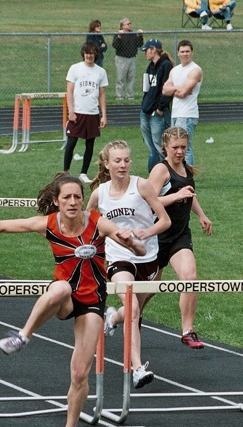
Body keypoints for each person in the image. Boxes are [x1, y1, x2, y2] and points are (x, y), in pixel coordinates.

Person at [0, 172, 146, 427]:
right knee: (59, 289)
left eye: (77, 197)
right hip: (63, 298)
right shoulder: (49, 225)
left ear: (84, 200)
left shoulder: (97, 223)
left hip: (92, 301)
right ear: (56, 201)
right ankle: (22, 336)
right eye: (67, 197)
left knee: (80, 374)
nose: (72, 202)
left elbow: (140, 251)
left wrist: (131, 242)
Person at [85, 141, 170, 389]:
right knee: (132, 305)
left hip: (148, 257)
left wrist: (145, 233)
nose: (122, 165)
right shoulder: (99, 193)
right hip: (119, 258)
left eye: (126, 160)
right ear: (106, 164)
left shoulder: (141, 185)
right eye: (117, 161)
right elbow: (88, 224)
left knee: (133, 312)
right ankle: (137, 368)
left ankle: (111, 320)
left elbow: (164, 221)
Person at [145, 127, 212, 349]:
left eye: (183, 147)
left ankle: (187, 331)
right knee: (147, 292)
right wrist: (175, 196)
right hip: (157, 237)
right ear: (165, 146)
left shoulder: (185, 168)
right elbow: (148, 201)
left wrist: (201, 215)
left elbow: (189, 193)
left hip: (180, 235)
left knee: (190, 277)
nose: (180, 151)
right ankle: (117, 318)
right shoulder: (160, 170)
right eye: (175, 147)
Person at [63, 42, 108, 184]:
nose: (89, 55)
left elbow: (101, 94)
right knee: (71, 143)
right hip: (77, 112)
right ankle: (65, 172)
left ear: (95, 54)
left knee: (90, 144)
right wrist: (71, 111)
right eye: (87, 53)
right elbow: (69, 91)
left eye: (92, 53)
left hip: (92, 112)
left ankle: (83, 173)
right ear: (83, 54)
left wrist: (104, 114)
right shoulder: (75, 69)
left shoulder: (100, 72)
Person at [163, 40, 203, 166]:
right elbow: (164, 90)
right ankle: (179, 173)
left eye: (187, 51)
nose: (185, 54)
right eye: (182, 51)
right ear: (178, 53)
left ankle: (188, 175)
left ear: (192, 53)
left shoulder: (195, 70)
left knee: (185, 146)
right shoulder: (175, 70)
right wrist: (178, 88)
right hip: (175, 113)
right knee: (174, 145)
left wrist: (175, 89)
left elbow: (184, 92)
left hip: (187, 114)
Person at [139, 39, 173, 173]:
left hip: (157, 112)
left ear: (153, 50)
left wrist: (160, 108)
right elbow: (147, 88)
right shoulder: (150, 66)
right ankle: (153, 173)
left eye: (146, 50)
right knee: (151, 145)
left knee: (160, 145)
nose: (145, 54)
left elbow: (167, 90)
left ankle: (169, 172)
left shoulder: (165, 65)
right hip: (146, 110)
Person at [111, 18, 143, 100]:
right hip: (121, 58)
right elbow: (115, 46)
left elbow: (139, 44)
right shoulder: (118, 34)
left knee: (131, 78)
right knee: (120, 78)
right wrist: (119, 37)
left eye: (130, 23)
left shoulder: (132, 34)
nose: (130, 25)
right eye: (128, 24)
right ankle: (119, 96)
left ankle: (130, 95)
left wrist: (140, 36)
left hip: (131, 58)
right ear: (123, 26)